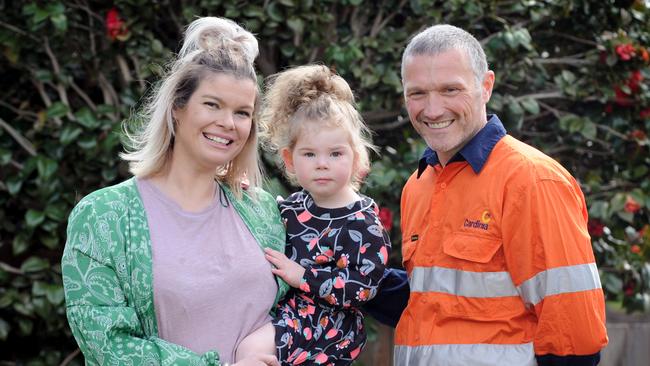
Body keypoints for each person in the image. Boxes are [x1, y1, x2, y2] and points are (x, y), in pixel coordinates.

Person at [61, 17, 288, 366]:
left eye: (242, 112)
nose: (228, 123)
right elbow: (109, 345)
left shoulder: (261, 211)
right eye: (212, 104)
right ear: (177, 108)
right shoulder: (103, 217)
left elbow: (300, 305)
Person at [377, 24, 609, 365]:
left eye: (450, 89)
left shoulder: (533, 180)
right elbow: (430, 306)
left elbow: (574, 336)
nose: (433, 109)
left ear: (486, 86)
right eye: (417, 94)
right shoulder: (418, 184)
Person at [234, 65, 392, 365]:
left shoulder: (363, 223)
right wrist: (241, 194)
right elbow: (258, 227)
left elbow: (364, 288)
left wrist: (303, 276)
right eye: (309, 154)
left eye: (335, 154)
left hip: (329, 329)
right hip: (285, 315)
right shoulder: (291, 210)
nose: (322, 164)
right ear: (290, 160)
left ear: (356, 157)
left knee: (250, 352)